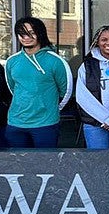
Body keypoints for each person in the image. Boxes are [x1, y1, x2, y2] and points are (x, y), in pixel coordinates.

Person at [5, 16, 72, 148]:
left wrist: (52, 109)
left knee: (45, 165)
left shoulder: (55, 61)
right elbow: (12, 88)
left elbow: (66, 91)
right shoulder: (12, 61)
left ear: (40, 33)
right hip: (16, 122)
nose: (26, 37)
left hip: (46, 123)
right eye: (22, 34)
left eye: (31, 33)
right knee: (18, 164)